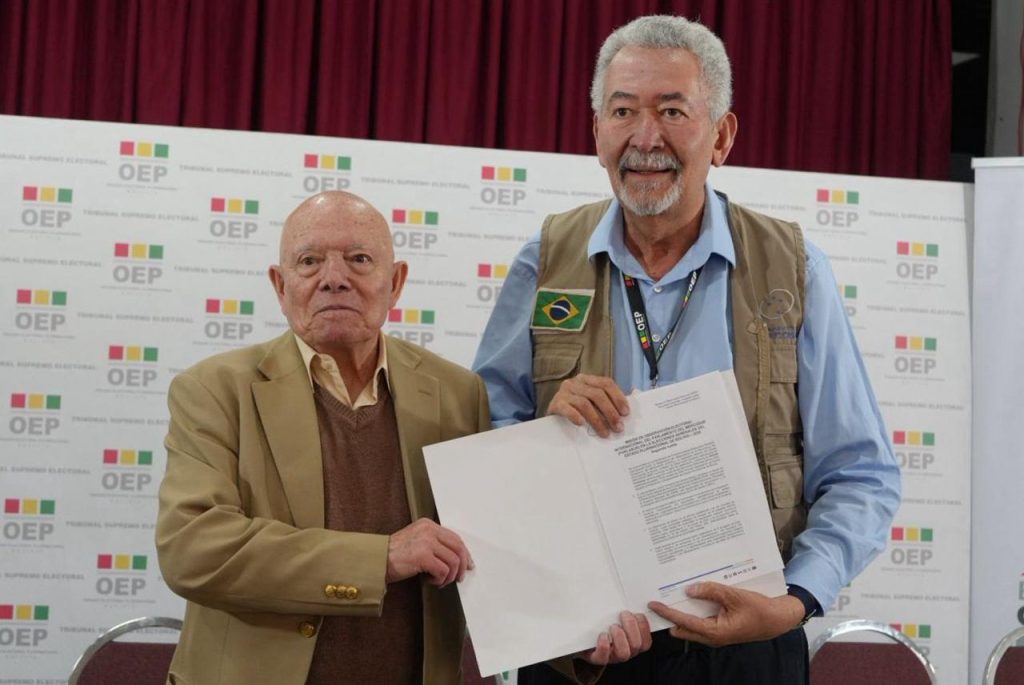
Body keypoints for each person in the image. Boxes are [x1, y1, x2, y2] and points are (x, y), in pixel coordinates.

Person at [472, 14, 900, 685]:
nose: (646, 137)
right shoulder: (546, 260)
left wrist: (792, 602)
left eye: (673, 110)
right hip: (582, 647)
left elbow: (862, 473)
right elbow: (483, 432)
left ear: (722, 136)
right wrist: (543, 420)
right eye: (623, 111)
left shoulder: (792, 270)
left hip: (746, 651)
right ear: (597, 132)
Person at [155, 191, 491, 685]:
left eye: (359, 259)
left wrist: (582, 641)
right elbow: (194, 549)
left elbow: (494, 550)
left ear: (395, 282)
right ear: (280, 284)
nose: (334, 278)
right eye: (310, 261)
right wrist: (380, 559)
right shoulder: (214, 390)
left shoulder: (460, 394)